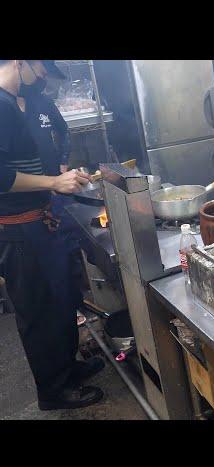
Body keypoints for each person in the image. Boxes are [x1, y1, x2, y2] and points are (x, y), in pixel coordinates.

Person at [0, 60, 104, 410]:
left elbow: (29, 159)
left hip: (41, 220)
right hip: (19, 230)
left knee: (60, 302)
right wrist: (53, 182)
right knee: (38, 312)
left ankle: (67, 369)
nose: (44, 74)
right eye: (40, 67)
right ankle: (53, 391)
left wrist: (64, 174)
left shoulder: (19, 101)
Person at [16, 61, 87, 325]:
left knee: (65, 254)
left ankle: (73, 305)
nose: (43, 76)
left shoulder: (42, 103)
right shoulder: (7, 106)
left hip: (53, 195)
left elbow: (64, 131)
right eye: (41, 70)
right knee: (40, 287)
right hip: (25, 209)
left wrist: (63, 162)